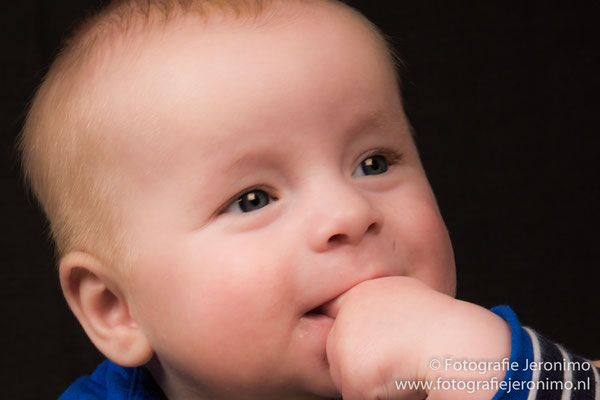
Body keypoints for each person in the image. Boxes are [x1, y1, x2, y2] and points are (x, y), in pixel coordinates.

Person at [19, 0, 599, 398]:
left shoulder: (477, 361)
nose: (350, 213)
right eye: (252, 199)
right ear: (115, 307)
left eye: (373, 163)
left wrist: (482, 366)